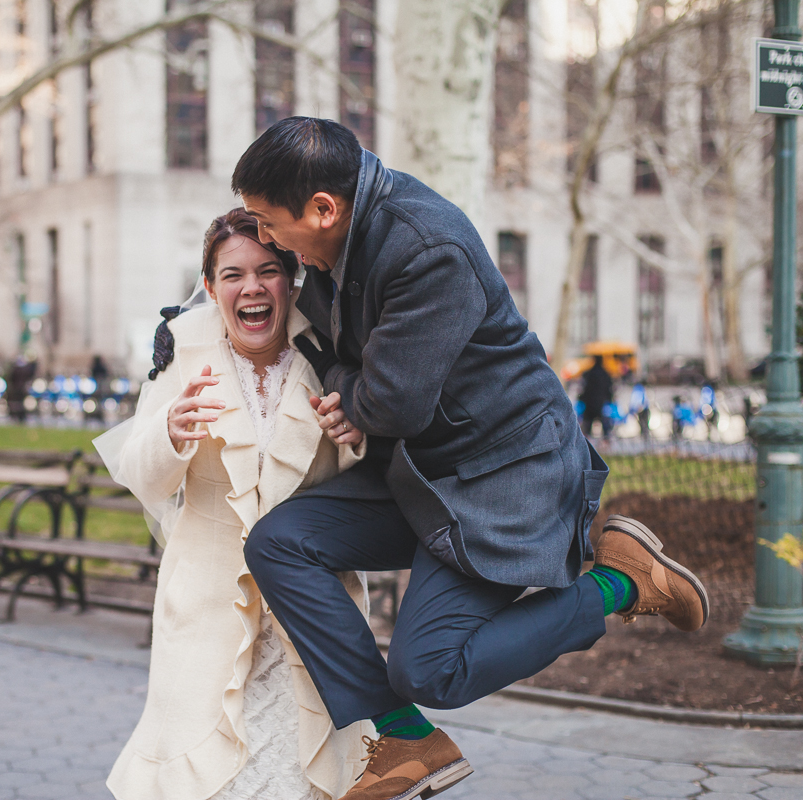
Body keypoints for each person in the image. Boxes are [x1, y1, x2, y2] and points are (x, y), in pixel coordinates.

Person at [231, 117, 709, 800]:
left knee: (431, 671)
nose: (265, 238)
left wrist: (343, 390)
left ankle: (623, 582)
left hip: (509, 480)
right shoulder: (337, 238)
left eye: (267, 223)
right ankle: (406, 740)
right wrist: (180, 331)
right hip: (424, 477)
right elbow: (340, 360)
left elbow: (390, 405)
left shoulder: (425, 248)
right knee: (280, 543)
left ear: (323, 209)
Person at [104, 209, 373, 800]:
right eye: (232, 275)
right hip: (205, 608)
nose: (251, 287)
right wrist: (170, 433)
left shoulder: (328, 353)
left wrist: (355, 434)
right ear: (210, 287)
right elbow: (139, 474)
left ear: (291, 280)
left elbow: (365, 485)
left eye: (267, 271)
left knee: (305, 773)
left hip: (307, 616)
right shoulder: (183, 353)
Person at [578, 358, 614, 438]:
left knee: (588, 424)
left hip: (590, 403)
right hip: (601, 402)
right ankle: (606, 440)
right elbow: (609, 389)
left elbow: (584, 388)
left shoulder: (589, 373)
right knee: (605, 424)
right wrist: (609, 399)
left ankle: (586, 441)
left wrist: (582, 398)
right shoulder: (605, 374)